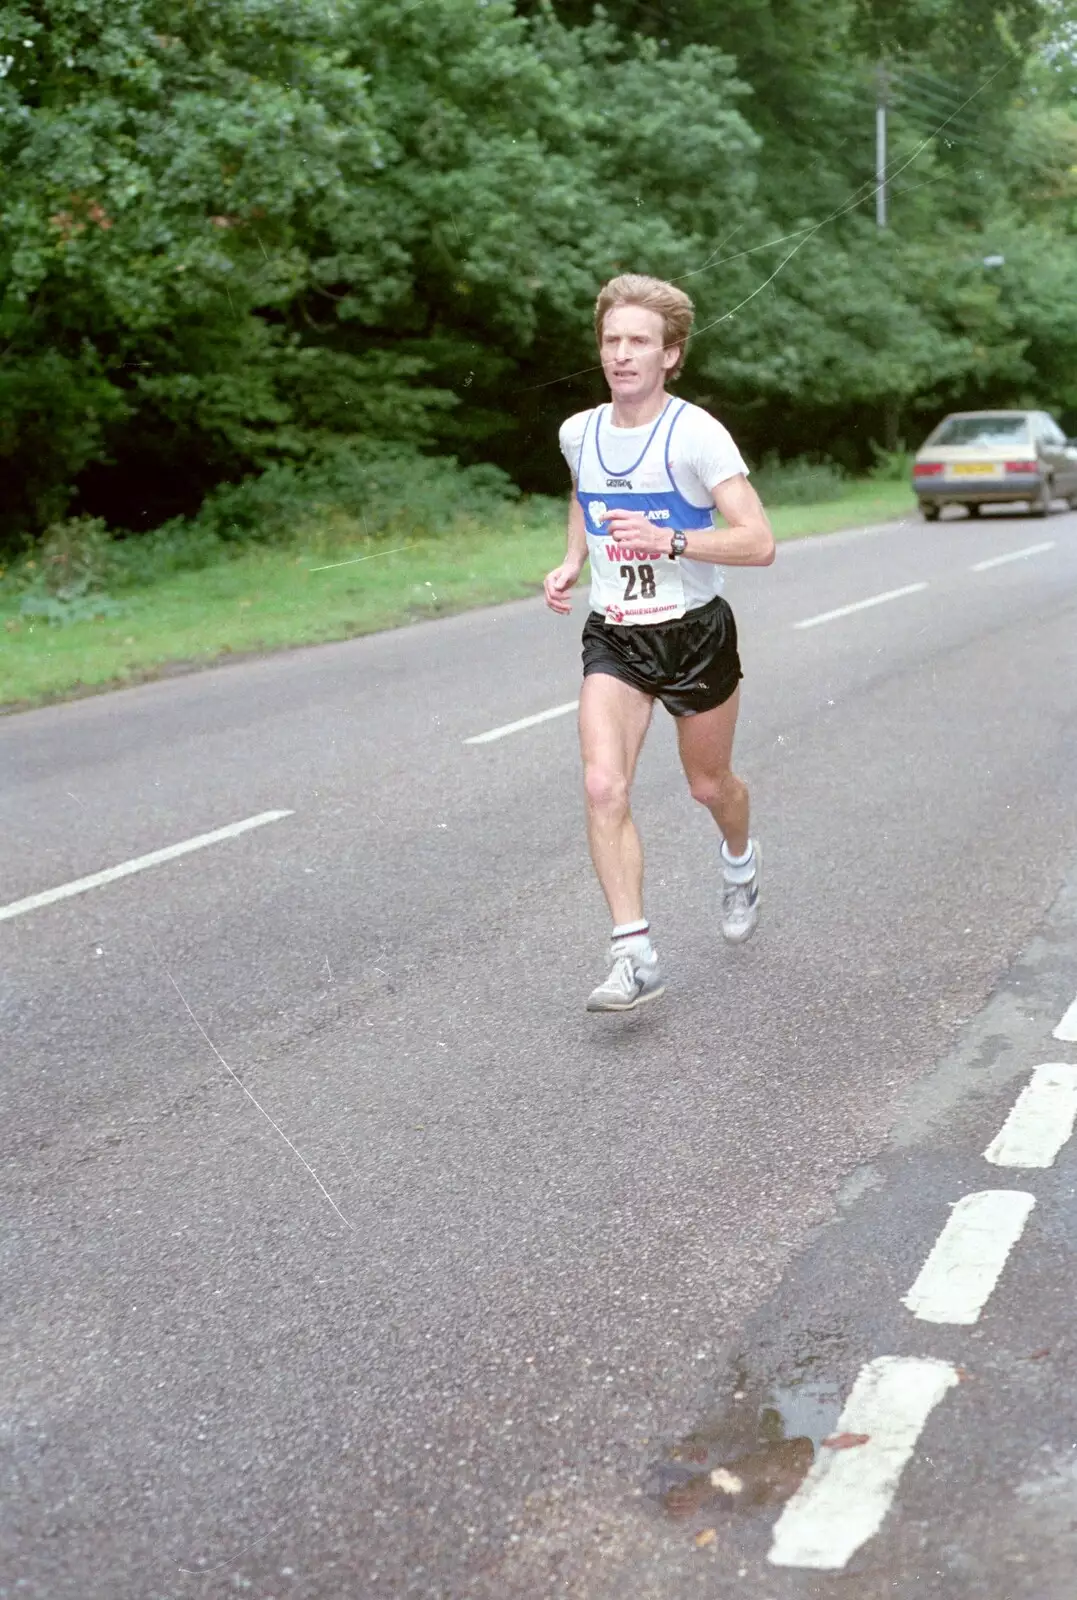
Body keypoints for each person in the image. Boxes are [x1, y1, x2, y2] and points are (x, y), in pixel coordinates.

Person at [544, 273, 775, 1012]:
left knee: (709, 786)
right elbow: (584, 493)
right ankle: (633, 954)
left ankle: (739, 861)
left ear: (669, 354)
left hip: (694, 633)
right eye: (611, 340)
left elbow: (759, 542)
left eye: (638, 341)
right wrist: (574, 561)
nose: (621, 354)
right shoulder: (579, 431)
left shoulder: (696, 434)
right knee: (600, 784)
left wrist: (672, 539)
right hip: (616, 633)